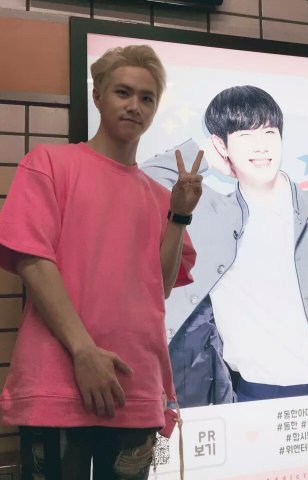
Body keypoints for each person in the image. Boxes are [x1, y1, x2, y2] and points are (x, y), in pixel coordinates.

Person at [0, 45, 203, 479]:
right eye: (123, 92)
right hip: (57, 383)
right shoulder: (49, 164)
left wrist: (180, 214)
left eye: (147, 98)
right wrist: (84, 351)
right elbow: (33, 262)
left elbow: (160, 287)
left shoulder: (158, 195)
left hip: (136, 386)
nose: (135, 106)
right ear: (97, 96)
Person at [142, 85, 308, 407]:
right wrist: (204, 156)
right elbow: (140, 179)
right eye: (245, 135)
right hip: (250, 395)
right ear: (221, 144)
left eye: (269, 132)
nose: (261, 147)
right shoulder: (210, 214)